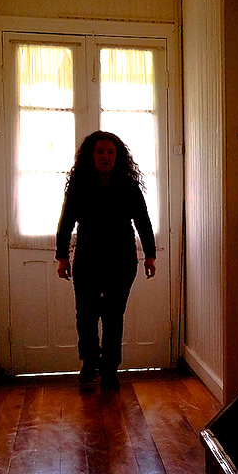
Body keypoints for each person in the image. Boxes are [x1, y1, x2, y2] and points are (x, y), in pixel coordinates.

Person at [56, 130, 156, 389]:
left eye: (111, 152)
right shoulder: (79, 185)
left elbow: (143, 221)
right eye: (100, 151)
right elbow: (66, 222)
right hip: (87, 258)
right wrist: (62, 257)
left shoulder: (128, 186)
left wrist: (150, 255)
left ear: (117, 156)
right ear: (91, 155)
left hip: (121, 260)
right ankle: (89, 362)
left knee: (113, 316)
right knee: (85, 315)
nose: (105, 157)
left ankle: (110, 369)